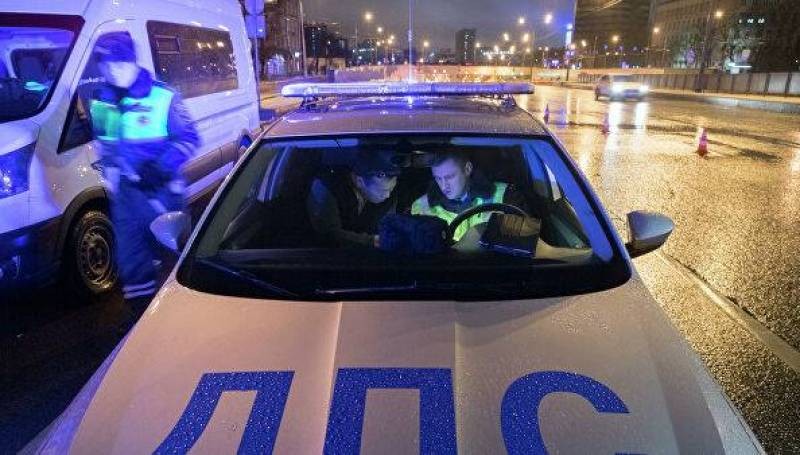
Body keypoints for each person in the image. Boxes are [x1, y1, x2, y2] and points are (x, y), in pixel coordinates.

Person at [87, 32, 199, 312]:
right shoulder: (103, 101)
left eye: (119, 63)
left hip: (162, 192)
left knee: (175, 256)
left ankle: (184, 313)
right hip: (126, 196)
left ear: (133, 62)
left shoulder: (163, 96)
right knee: (132, 259)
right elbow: (107, 146)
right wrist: (112, 175)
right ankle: (140, 320)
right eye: (106, 65)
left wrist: (161, 167)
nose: (113, 71)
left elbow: (189, 138)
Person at [411, 152, 527, 241]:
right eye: (438, 178)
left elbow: (524, 243)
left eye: (449, 177)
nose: (444, 185)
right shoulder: (421, 206)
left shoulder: (506, 196)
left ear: (467, 169)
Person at [307, 149, 401, 247]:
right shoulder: (326, 187)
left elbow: (388, 227)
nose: (387, 195)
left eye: (391, 189)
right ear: (359, 182)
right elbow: (330, 234)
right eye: (383, 190)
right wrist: (372, 241)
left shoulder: (386, 197)